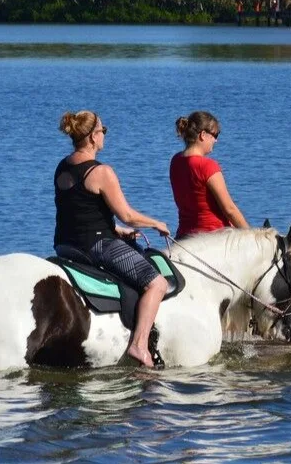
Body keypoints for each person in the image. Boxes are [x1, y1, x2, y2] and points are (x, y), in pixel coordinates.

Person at [54, 110, 171, 367]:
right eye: (102, 131)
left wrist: (117, 230)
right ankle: (140, 345)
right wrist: (156, 224)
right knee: (157, 284)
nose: (104, 135)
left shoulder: (63, 166)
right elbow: (127, 214)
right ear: (93, 137)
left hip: (65, 244)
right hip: (96, 246)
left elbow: (81, 211)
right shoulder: (101, 172)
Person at [169, 111, 248, 238]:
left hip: (184, 236)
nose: (216, 140)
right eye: (215, 135)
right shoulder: (208, 166)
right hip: (212, 238)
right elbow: (229, 209)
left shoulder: (175, 161)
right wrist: (250, 235)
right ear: (203, 135)